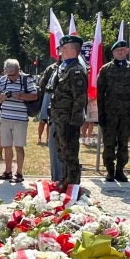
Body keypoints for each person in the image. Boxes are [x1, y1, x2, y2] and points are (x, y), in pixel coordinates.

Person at [97, 39, 130, 183]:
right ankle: (110, 170)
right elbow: (100, 92)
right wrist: (101, 113)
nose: (120, 52)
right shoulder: (105, 69)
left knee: (123, 143)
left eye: (123, 49)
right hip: (110, 112)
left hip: (127, 113)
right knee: (109, 142)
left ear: (127, 51)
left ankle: (120, 170)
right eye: (117, 50)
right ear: (113, 53)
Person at [50, 35, 88, 190]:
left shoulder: (76, 71)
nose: (61, 51)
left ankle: (73, 185)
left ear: (73, 50)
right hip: (58, 118)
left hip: (68, 120)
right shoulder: (63, 68)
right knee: (62, 151)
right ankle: (66, 180)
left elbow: (80, 99)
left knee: (70, 153)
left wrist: (74, 122)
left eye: (64, 48)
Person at [0, 59, 38, 182]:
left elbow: (34, 95)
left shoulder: (26, 79)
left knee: (19, 146)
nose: (9, 75)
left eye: (12, 72)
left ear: (17, 70)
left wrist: (21, 95)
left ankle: (19, 174)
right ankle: (8, 172)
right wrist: (0, 98)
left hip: (20, 119)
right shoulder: (3, 80)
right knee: (7, 146)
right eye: (7, 72)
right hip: (5, 117)